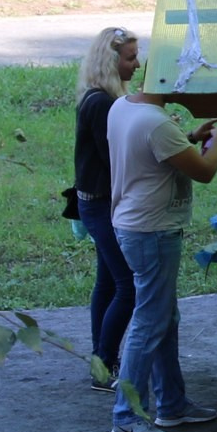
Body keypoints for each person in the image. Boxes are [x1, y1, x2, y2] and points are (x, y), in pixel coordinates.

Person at [107, 89, 217, 432]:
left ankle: (172, 404)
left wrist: (190, 138)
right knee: (149, 322)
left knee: (164, 316)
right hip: (152, 231)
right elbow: (205, 171)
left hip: (134, 225)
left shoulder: (124, 106)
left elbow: (151, 152)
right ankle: (127, 417)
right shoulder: (156, 122)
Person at [71, 26, 139, 389]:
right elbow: (117, 159)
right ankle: (106, 362)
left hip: (94, 204)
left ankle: (100, 361)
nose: (138, 64)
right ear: (111, 62)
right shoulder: (102, 105)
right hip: (101, 207)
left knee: (107, 283)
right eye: (130, 58)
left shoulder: (98, 98)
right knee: (128, 286)